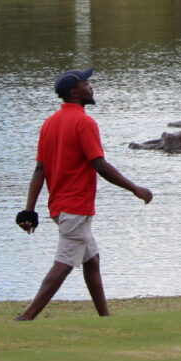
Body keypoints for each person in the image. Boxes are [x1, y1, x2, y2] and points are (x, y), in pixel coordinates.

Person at [14, 68, 152, 321]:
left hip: (60, 206)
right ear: (74, 92)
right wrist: (135, 189)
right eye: (86, 84)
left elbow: (39, 170)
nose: (91, 87)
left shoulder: (49, 123)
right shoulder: (85, 122)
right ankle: (27, 317)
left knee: (92, 260)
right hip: (75, 206)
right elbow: (99, 165)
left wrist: (29, 210)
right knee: (64, 263)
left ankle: (105, 317)